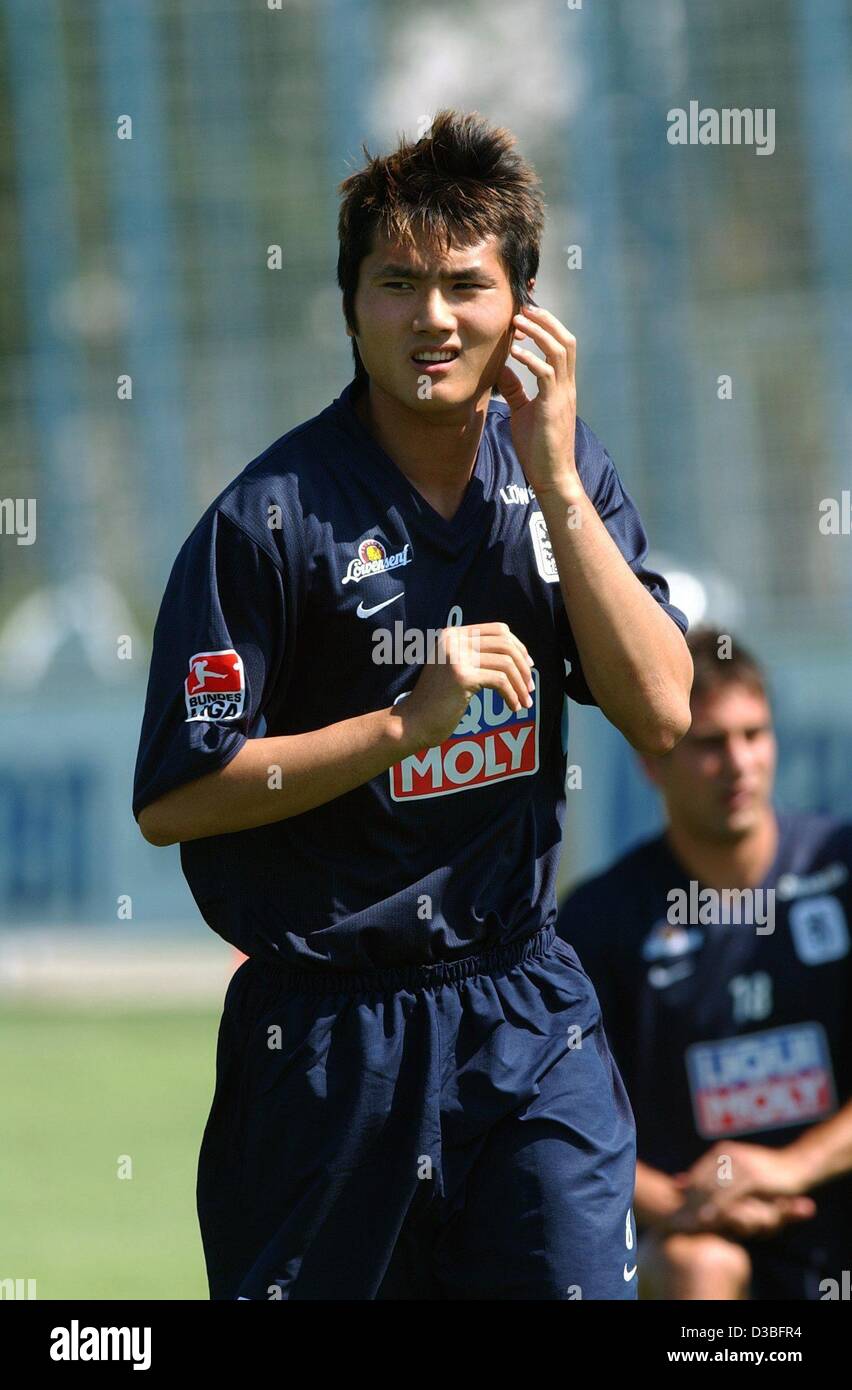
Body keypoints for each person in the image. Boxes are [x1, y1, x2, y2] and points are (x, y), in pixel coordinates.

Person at [132, 110, 691, 1300]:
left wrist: (553, 481)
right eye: (397, 284)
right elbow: (177, 799)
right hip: (328, 1043)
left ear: (523, 305)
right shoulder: (268, 521)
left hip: (527, 1008)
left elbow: (663, 713)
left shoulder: (560, 472)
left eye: (463, 285)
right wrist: (399, 730)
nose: (432, 318)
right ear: (350, 306)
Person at [556, 628, 852, 1299]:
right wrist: (686, 1204)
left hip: (827, 1199)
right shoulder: (600, 921)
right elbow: (567, 1118)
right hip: (695, 1227)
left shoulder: (841, 870)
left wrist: (791, 1168)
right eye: (711, 744)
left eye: (755, 734)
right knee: (700, 1269)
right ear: (652, 761)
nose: (741, 763)